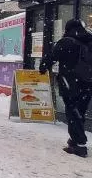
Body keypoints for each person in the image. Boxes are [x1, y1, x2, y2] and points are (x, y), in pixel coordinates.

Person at [39, 19, 92, 158]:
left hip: (70, 83)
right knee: (79, 112)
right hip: (88, 83)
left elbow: (51, 57)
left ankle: (80, 145)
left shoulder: (67, 41)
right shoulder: (89, 40)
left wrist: (43, 67)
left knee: (73, 112)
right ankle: (74, 140)